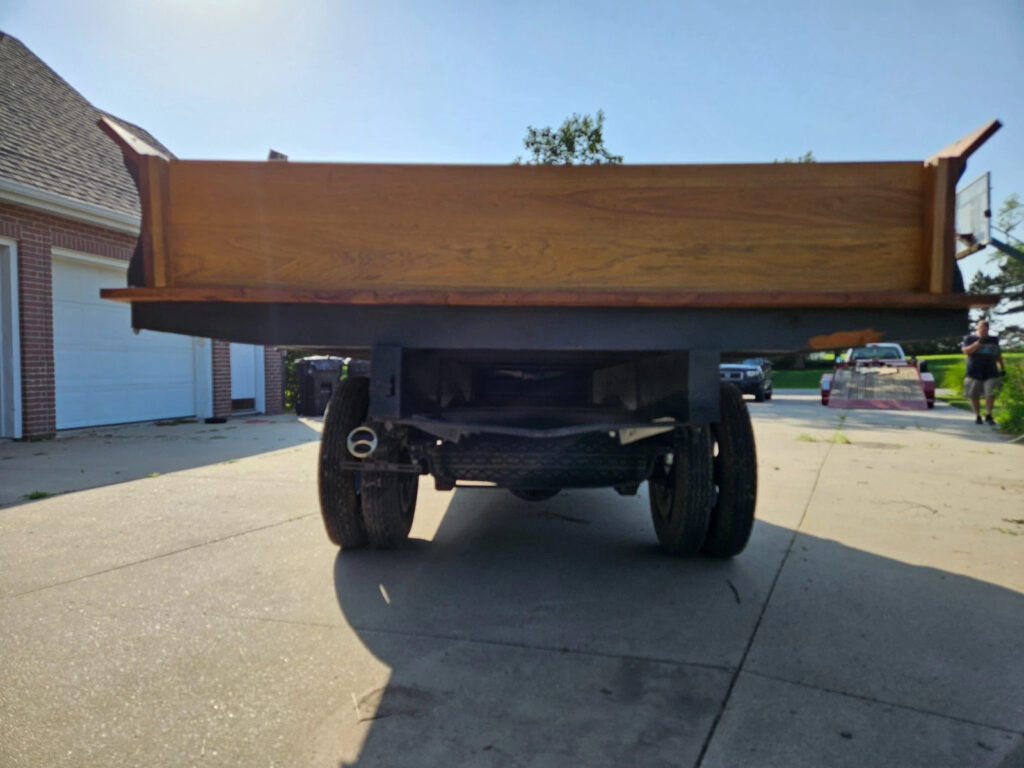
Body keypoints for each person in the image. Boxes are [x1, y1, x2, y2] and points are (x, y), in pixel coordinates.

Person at [961, 319, 1005, 424]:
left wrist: (1002, 367)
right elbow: (966, 351)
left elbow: (998, 354)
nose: (984, 330)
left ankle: (989, 415)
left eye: (986, 329)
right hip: (974, 371)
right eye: (982, 328)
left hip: (991, 371)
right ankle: (977, 415)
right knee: (974, 395)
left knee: (990, 393)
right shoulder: (969, 338)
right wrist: (978, 343)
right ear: (977, 328)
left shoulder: (994, 340)